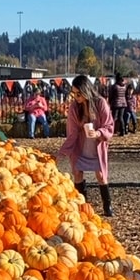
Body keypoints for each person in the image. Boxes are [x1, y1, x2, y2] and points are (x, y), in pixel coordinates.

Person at [59, 73, 115, 216]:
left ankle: (107, 206)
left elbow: (109, 125)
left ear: (86, 90)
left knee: (101, 175)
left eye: (78, 94)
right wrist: (63, 152)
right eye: (74, 94)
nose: (76, 97)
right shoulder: (74, 108)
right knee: (77, 173)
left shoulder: (100, 103)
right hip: (80, 146)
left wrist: (98, 133)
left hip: (96, 146)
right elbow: (72, 133)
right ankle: (83, 206)